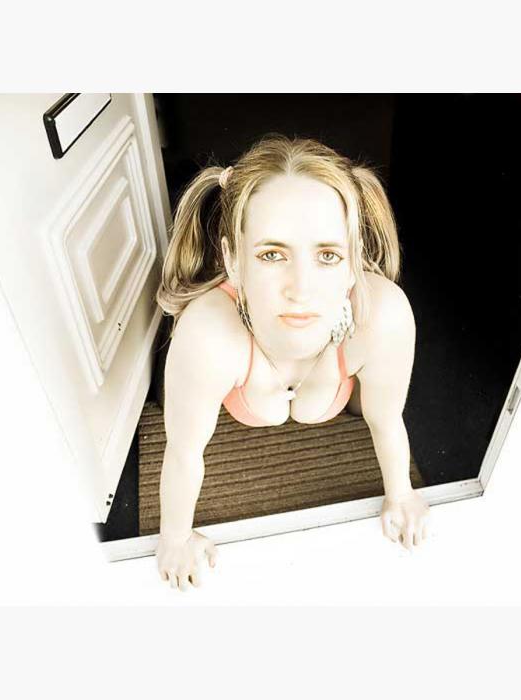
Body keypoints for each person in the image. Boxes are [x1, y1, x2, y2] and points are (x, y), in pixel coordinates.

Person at [154, 134, 431, 591]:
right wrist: (175, 537)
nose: (301, 289)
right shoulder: (207, 335)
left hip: (341, 358)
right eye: (272, 254)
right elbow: (183, 451)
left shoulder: (382, 316)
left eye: (328, 256)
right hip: (223, 366)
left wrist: (401, 494)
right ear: (233, 260)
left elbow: (387, 419)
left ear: (354, 262)